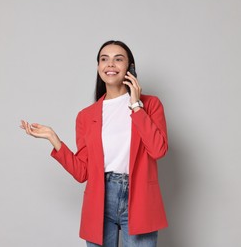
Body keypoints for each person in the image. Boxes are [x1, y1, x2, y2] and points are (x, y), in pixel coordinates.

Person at [20, 40, 168, 246]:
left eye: (118, 59)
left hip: (139, 197)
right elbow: (82, 172)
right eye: (104, 59)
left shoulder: (150, 105)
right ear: (98, 67)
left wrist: (135, 106)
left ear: (130, 68)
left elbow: (158, 149)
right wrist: (54, 140)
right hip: (100, 199)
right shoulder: (86, 116)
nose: (110, 64)